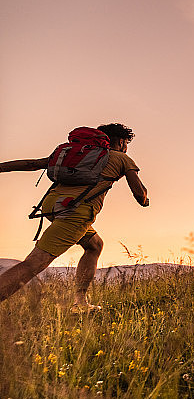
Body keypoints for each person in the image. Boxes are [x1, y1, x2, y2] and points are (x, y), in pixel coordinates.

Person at [0, 123, 148, 311]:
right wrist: (145, 198)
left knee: (94, 245)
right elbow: (140, 195)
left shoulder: (75, 154)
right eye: (126, 143)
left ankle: (80, 302)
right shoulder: (121, 158)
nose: (126, 147)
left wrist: (1, 167)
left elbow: (32, 164)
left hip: (52, 205)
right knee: (34, 263)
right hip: (76, 211)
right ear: (120, 142)